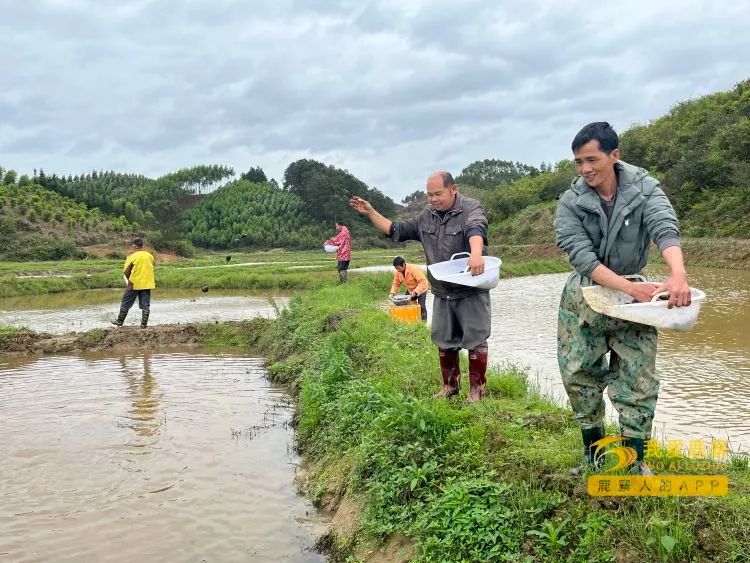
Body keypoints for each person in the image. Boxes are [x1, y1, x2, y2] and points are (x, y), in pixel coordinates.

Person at [554, 122, 691, 475]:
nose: (585, 169)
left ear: (614, 156)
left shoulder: (645, 188)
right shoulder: (570, 202)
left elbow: (664, 227)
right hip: (585, 296)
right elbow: (582, 257)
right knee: (578, 374)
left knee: (638, 378)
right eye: (578, 162)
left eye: (592, 159)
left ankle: (634, 462)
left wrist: (677, 273)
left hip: (637, 301)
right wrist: (630, 289)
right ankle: (594, 457)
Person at [351, 171, 491, 402]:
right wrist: (371, 213)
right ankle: (450, 387)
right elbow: (395, 230)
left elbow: (476, 229)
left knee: (475, 339)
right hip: (443, 290)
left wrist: (476, 254)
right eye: (429, 195)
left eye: (438, 194)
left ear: (453, 189)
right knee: (444, 340)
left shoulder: (470, 208)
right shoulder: (427, 216)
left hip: (470, 288)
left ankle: (477, 391)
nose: (433, 199)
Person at [112, 238, 156, 328]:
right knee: (145, 304)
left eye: (133, 246)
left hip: (134, 283)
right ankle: (144, 324)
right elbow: (153, 265)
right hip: (147, 284)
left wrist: (129, 281)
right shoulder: (149, 255)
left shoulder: (132, 256)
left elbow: (126, 271)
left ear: (135, 246)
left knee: (126, 302)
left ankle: (120, 321)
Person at [390, 256, 429, 321]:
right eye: (396, 268)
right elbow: (396, 284)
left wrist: (415, 292)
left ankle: (424, 323)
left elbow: (423, 282)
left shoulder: (414, 269)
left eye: (398, 268)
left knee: (421, 306)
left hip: (421, 289)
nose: (397, 270)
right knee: (405, 304)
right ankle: (411, 320)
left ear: (403, 264)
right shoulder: (398, 272)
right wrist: (392, 293)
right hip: (410, 290)